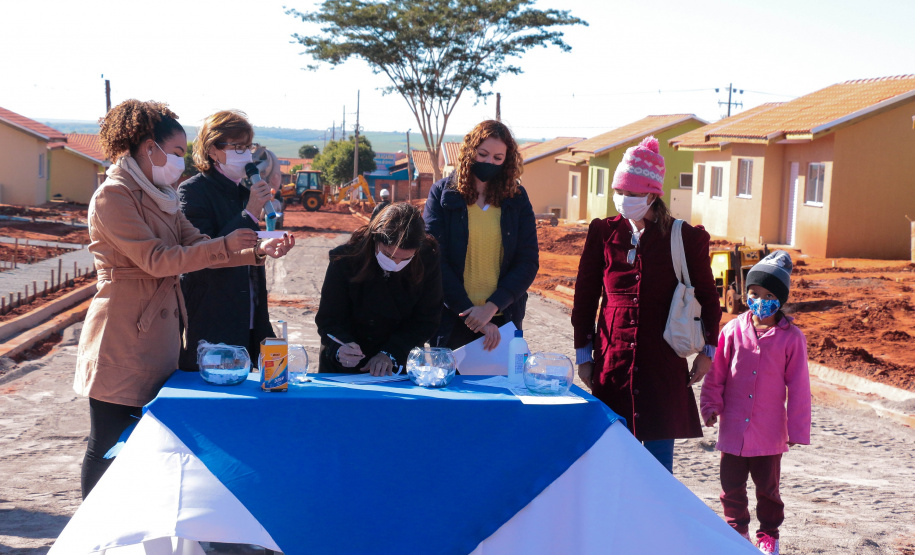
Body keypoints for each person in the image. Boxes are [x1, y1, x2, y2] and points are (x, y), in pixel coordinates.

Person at [74, 100, 291, 498]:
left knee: (146, 445)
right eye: (175, 153)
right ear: (147, 147)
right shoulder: (114, 197)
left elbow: (199, 244)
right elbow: (158, 260)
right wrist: (231, 240)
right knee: (107, 444)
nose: (179, 162)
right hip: (123, 332)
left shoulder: (164, 195)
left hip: (161, 336)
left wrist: (256, 251)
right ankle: (92, 535)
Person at [571, 136, 721, 473]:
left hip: (661, 369)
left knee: (657, 474)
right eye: (620, 192)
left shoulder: (684, 238)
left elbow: (710, 298)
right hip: (612, 367)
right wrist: (584, 355)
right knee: (611, 468)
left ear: (653, 195)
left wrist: (707, 352)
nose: (624, 200)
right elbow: (585, 299)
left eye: (633, 194)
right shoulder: (603, 233)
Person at [700, 250, 811, 555]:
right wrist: (710, 405)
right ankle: (736, 536)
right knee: (731, 489)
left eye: (768, 294)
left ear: (781, 299)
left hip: (769, 434)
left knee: (768, 491)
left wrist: (798, 430)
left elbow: (799, 386)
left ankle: (769, 536)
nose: (760, 299)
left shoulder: (791, 338)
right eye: (754, 292)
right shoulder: (733, 330)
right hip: (733, 429)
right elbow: (717, 373)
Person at [177, 111, 295, 369]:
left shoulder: (244, 192)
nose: (245, 154)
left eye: (247, 146)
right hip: (213, 316)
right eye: (236, 147)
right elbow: (204, 252)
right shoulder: (192, 192)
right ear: (212, 150)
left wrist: (264, 249)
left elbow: (247, 246)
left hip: (251, 314)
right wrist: (252, 210)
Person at [423, 120, 538, 352]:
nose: (489, 162)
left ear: (507, 161)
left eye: (497, 158)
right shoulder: (442, 194)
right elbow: (433, 258)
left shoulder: (517, 198)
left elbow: (527, 261)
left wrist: (491, 308)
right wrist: (469, 312)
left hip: (502, 319)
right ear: (469, 152)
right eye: (483, 154)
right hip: (450, 318)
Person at [316, 203, 442, 374]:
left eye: (406, 258)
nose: (396, 263)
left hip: (397, 363)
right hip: (345, 366)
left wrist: (390, 353)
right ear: (375, 238)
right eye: (389, 255)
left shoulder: (427, 259)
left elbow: (427, 319)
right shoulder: (344, 259)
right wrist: (341, 347)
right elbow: (328, 319)